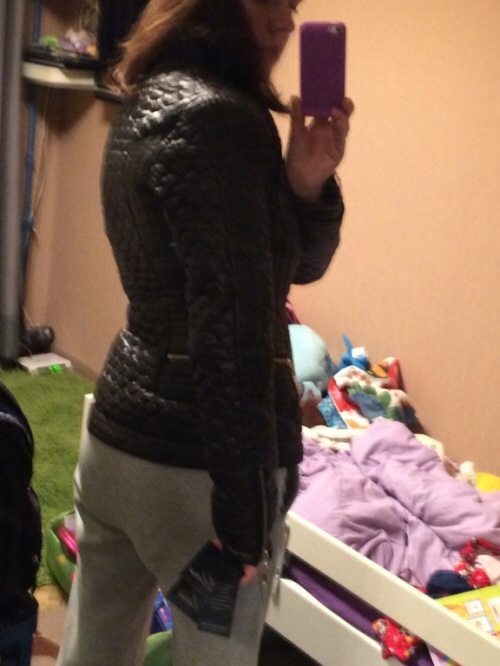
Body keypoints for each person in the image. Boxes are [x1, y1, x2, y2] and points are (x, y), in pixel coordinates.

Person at [57, 0, 354, 664]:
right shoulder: (225, 121)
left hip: (117, 438)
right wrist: (245, 520)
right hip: (196, 471)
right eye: (266, 0)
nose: (285, 22)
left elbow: (288, 268)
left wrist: (305, 185)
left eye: (292, 3)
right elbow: (233, 334)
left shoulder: (144, 96)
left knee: (93, 649)